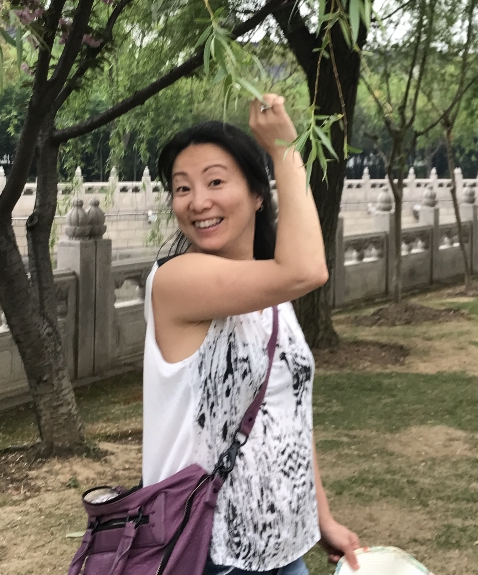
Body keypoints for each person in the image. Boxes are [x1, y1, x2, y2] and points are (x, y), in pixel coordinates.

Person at [143, 94, 360, 575]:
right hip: (208, 553)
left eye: (215, 181)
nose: (198, 201)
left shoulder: (272, 295)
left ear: (258, 195)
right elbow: (308, 268)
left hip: (283, 548)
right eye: (182, 188)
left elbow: (289, 414)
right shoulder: (176, 282)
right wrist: (285, 147)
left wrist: (321, 517)